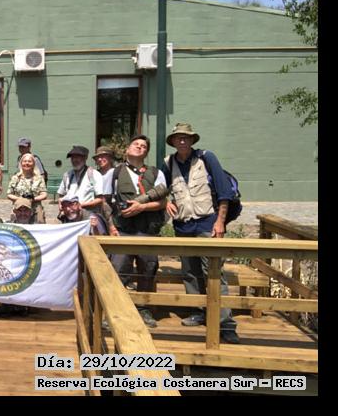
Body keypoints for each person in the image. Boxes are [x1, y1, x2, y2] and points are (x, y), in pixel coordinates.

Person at [162, 123, 240, 344]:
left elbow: (224, 192)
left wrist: (220, 222)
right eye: (178, 138)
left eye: (186, 137)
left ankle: (225, 323)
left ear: (192, 140)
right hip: (183, 226)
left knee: (214, 272)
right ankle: (198, 311)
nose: (182, 141)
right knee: (190, 272)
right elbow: (161, 188)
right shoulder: (168, 163)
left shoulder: (207, 158)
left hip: (208, 224)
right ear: (173, 141)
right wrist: (166, 201)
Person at [106, 134, 169, 328]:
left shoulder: (156, 173)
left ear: (146, 152)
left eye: (144, 146)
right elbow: (106, 202)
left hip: (147, 230)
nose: (140, 147)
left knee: (148, 270)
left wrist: (142, 207)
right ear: (127, 149)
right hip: (123, 230)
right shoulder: (114, 173)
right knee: (118, 271)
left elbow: (163, 202)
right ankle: (114, 311)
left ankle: (143, 309)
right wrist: (111, 227)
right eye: (136, 144)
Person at [0, 198, 33, 318]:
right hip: (12, 267)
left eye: (26, 210)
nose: (23, 213)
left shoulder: (39, 229)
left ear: (31, 212)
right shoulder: (6, 227)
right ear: (14, 212)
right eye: (19, 210)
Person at [57, 145, 104, 217]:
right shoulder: (67, 175)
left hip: (86, 215)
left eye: (77, 157)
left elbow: (100, 199)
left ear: (85, 158)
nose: (74, 160)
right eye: (72, 157)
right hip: (68, 216)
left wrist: (80, 205)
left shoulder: (93, 175)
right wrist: (60, 203)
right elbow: (61, 195)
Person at [6, 153, 48, 223]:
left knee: (38, 226)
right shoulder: (15, 178)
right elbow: (9, 194)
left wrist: (33, 199)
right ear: (21, 163)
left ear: (33, 164)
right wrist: (21, 199)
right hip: (19, 207)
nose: (27, 163)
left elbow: (44, 194)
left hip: (35, 206)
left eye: (29, 161)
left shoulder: (39, 178)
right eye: (25, 161)